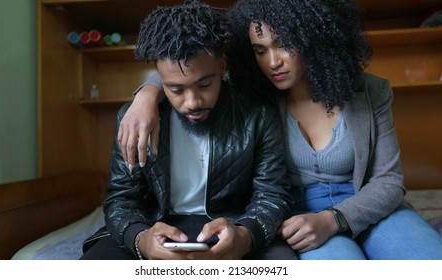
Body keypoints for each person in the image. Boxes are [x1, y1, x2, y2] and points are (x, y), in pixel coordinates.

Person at [117, 0, 442, 260]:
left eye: (284, 44)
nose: (273, 62)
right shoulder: (251, 96)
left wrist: (335, 219)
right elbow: (190, 75)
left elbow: (389, 181)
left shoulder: (370, 91)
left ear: (313, 37)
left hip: (371, 206)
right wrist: (146, 95)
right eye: (260, 50)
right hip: (297, 217)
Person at [80, 0, 296, 260]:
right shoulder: (134, 119)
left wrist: (245, 236)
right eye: (176, 89)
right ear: (159, 75)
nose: (192, 102)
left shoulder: (258, 113)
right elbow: (121, 198)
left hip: (234, 222)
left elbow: (272, 193)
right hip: (155, 224)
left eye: (205, 84)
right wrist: (141, 240)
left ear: (221, 65)